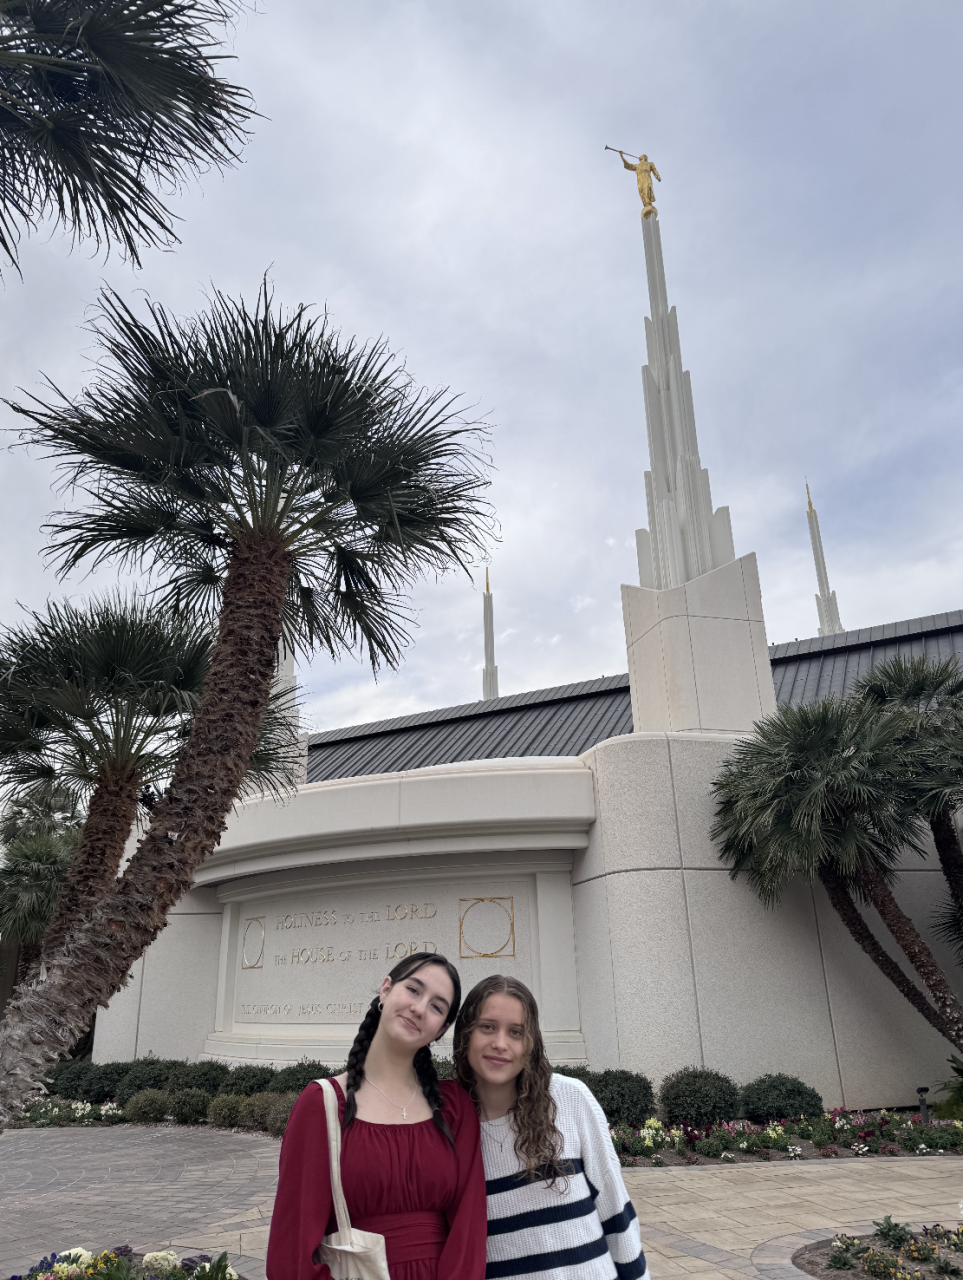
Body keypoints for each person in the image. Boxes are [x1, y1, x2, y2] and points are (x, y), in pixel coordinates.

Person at [267, 953, 487, 1280]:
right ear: (386, 990)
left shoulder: (454, 1107)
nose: (419, 1008)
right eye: (413, 990)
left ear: (441, 1030)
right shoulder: (323, 1104)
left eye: (437, 1007)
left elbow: (469, 1232)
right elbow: (292, 1250)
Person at [453, 975, 647, 1280]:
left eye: (515, 1032)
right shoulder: (451, 1126)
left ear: (531, 1043)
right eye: (487, 1027)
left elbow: (615, 1210)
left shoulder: (570, 1099)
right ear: (466, 1034)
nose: (500, 1043)